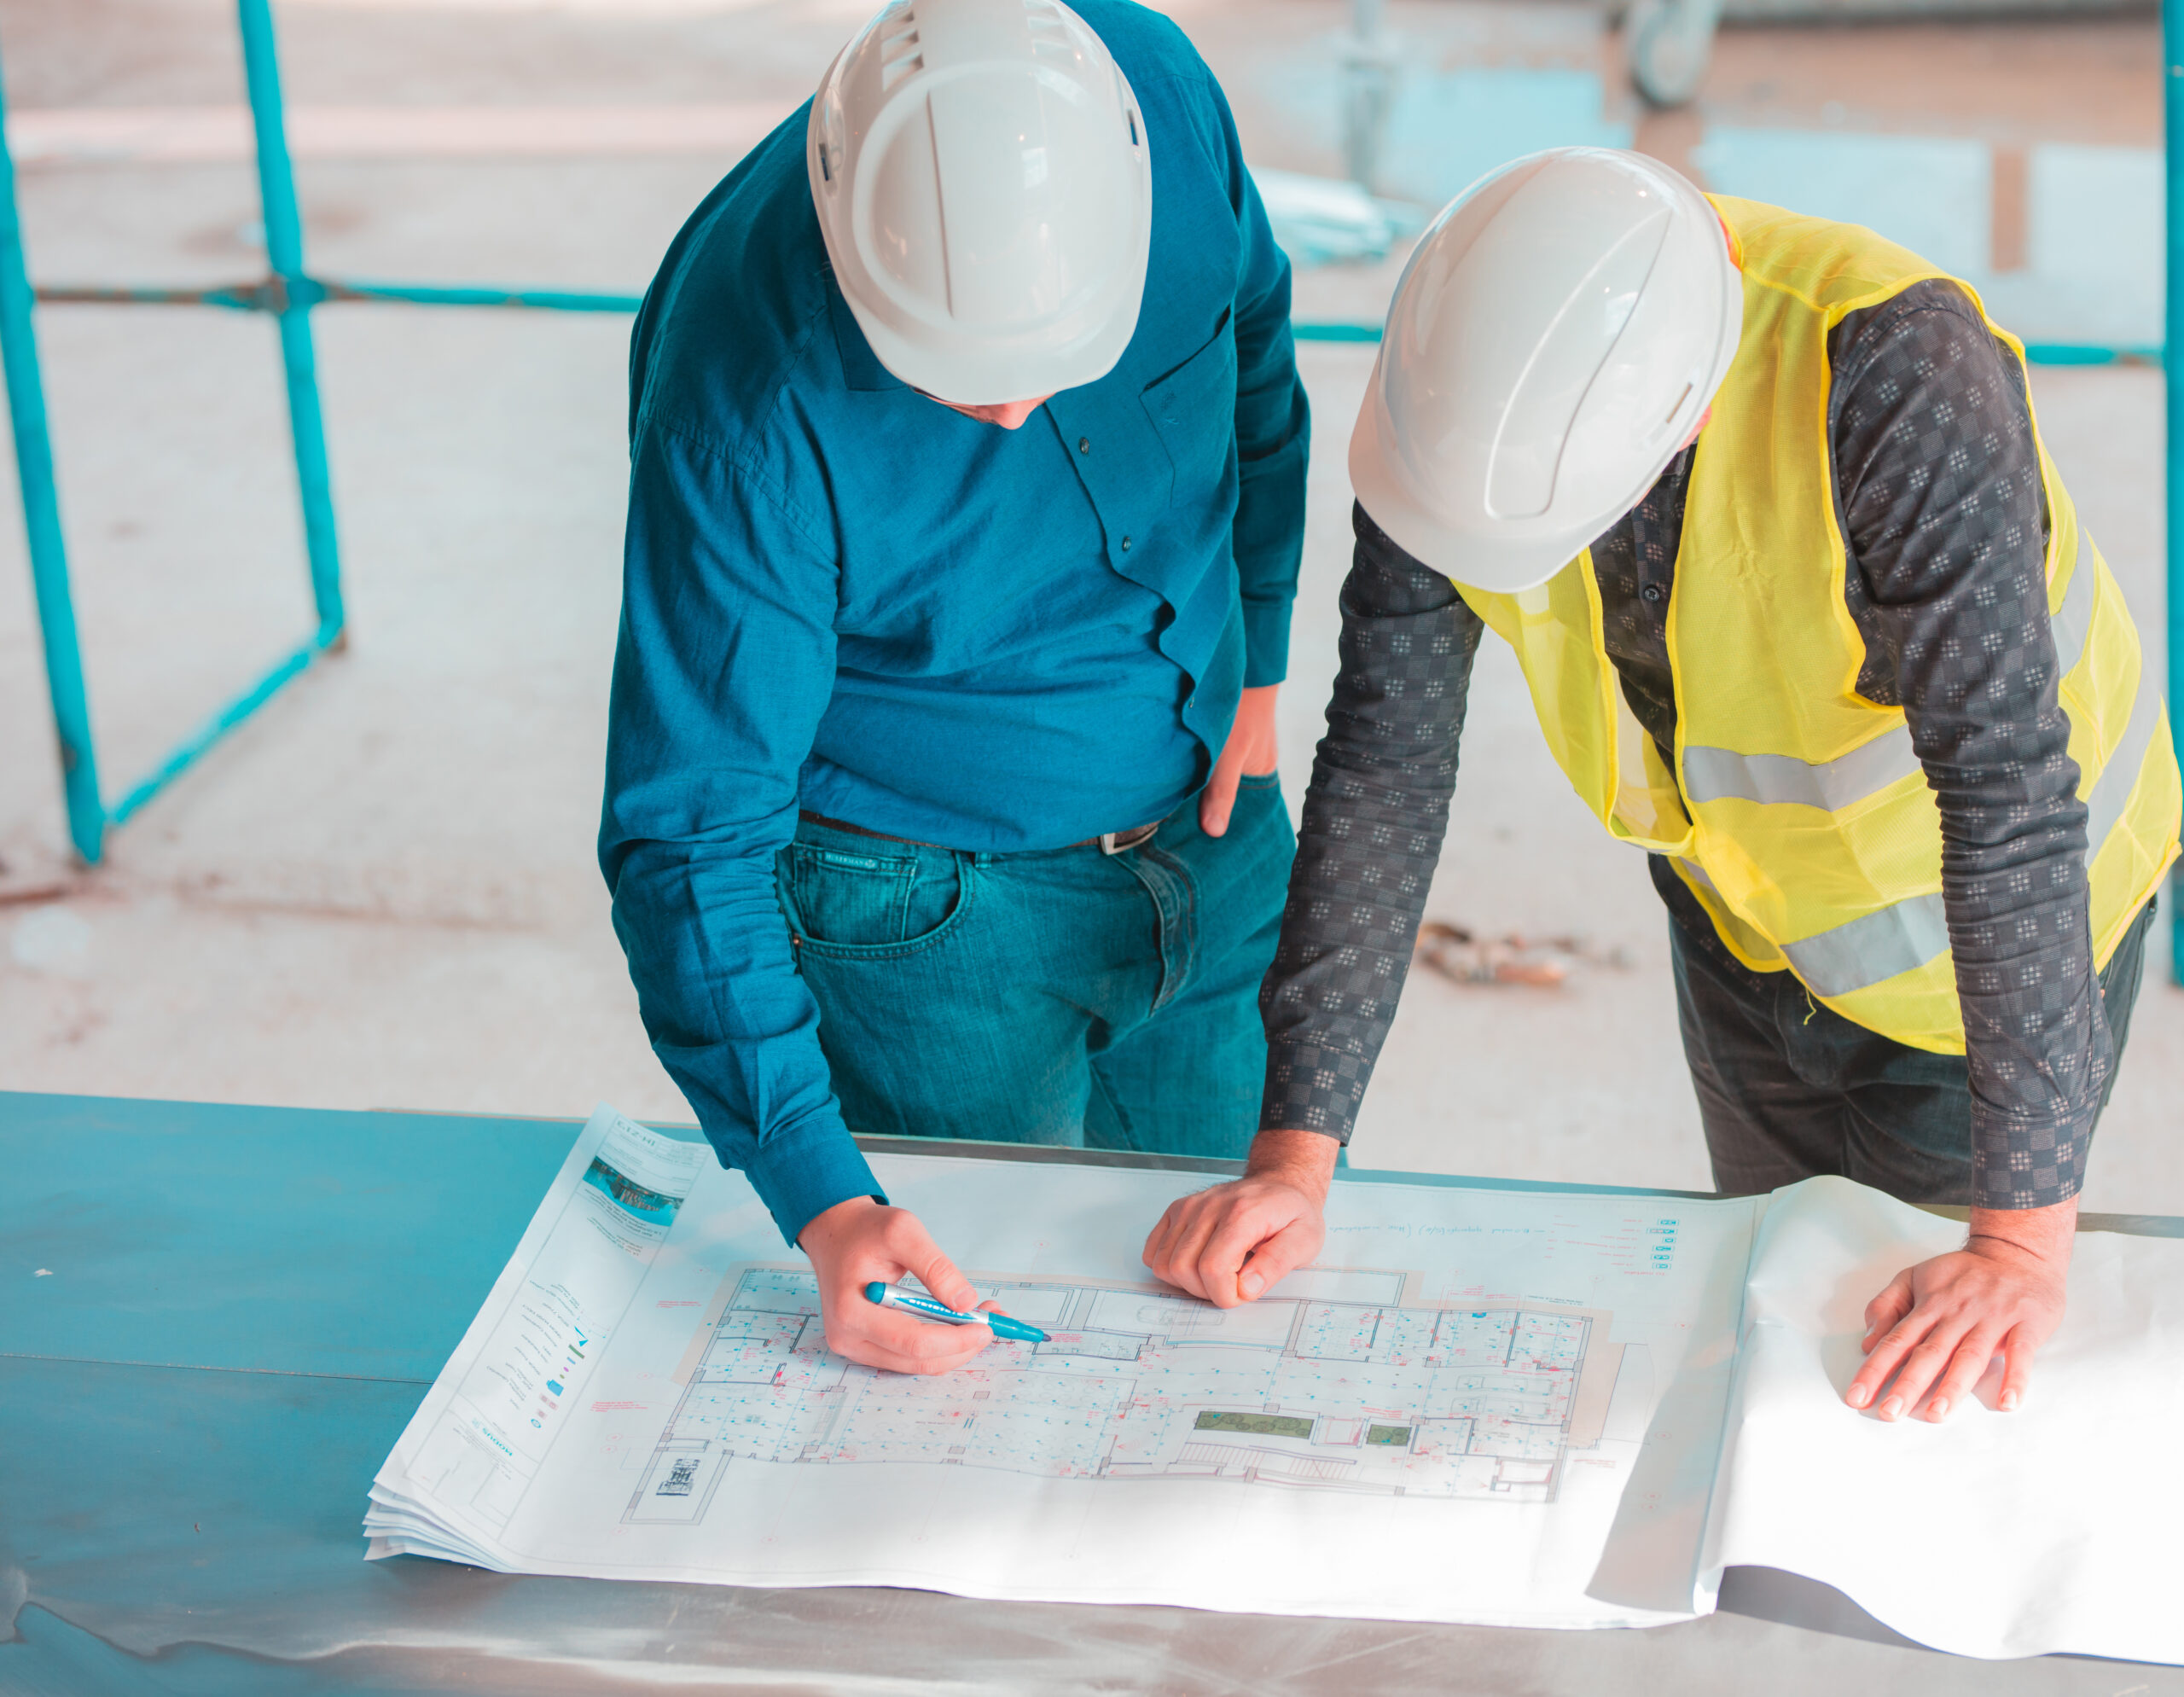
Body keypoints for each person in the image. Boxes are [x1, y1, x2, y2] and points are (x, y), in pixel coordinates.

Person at [1146, 148, 2179, 1426]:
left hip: (1975, 964)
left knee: (1906, 1395)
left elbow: (2009, 806)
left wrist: (2021, 1242)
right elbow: (1384, 763)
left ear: (1682, 413)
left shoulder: (1899, 375)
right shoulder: (1464, 372)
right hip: (1738, 923)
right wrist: (1296, 1158)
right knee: (1776, 1306)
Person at [601, 0, 1308, 1375]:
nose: (1004, 412)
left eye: (1057, 356)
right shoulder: (743, 393)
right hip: (931, 926)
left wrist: (1260, 666)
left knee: (1210, 1307)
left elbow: (1259, 366)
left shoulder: (1155, 92)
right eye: (950, 370)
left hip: (1219, 840)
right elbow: (692, 835)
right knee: (1005, 1368)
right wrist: (826, 1197)